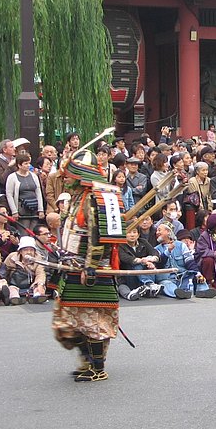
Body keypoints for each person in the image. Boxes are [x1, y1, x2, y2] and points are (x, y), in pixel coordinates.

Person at [52, 149, 126, 382]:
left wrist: (91, 266)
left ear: (80, 174)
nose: (64, 178)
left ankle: (97, 367)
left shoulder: (97, 199)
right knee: (69, 321)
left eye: (68, 174)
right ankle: (86, 361)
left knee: (93, 320)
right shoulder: (76, 199)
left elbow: (100, 236)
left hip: (90, 269)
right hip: (72, 265)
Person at [155, 222, 216, 299]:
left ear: (168, 231)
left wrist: (198, 273)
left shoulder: (181, 245)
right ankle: (177, 293)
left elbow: (189, 261)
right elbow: (159, 264)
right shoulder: (156, 249)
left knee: (197, 277)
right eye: (157, 231)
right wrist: (168, 252)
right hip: (168, 278)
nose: (157, 233)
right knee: (166, 285)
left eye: (159, 230)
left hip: (183, 275)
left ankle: (203, 291)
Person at [117, 226, 161, 300]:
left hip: (144, 274)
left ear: (138, 234)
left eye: (134, 232)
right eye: (129, 232)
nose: (132, 235)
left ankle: (148, 288)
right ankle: (149, 284)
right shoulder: (120, 245)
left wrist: (151, 260)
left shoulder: (143, 241)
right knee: (137, 265)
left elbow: (154, 252)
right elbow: (126, 258)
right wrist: (143, 261)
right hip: (128, 276)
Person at [5, 154, 45, 234]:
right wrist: (14, 211)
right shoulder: (12, 177)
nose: (28, 165)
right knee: (24, 232)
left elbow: (38, 192)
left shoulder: (33, 176)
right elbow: (9, 195)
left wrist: (41, 209)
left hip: (34, 207)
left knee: (34, 232)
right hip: (22, 208)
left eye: (28, 163)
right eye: (25, 163)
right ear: (19, 165)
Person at [3, 236, 47, 305]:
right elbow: (4, 270)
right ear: (20, 251)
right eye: (26, 250)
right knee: (11, 289)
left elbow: (40, 273)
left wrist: (40, 284)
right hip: (14, 284)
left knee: (39, 287)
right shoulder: (12, 257)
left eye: (31, 250)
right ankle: (15, 299)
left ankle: (37, 297)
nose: (29, 252)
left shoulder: (38, 259)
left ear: (34, 251)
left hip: (31, 285)